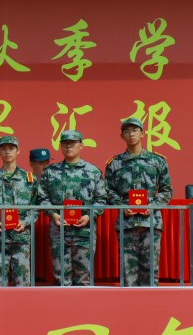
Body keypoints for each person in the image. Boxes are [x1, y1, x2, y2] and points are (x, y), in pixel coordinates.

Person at [105, 117, 173, 287]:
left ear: (142, 133)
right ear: (121, 136)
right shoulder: (115, 163)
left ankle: (151, 303)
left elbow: (166, 190)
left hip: (151, 222)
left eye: (134, 130)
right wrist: (122, 206)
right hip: (127, 223)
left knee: (150, 272)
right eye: (127, 131)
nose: (131, 134)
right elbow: (108, 191)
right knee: (128, 274)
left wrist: (153, 206)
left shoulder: (157, 161)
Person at [37, 130, 107, 286]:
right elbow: (42, 198)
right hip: (59, 231)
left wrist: (89, 216)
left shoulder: (93, 171)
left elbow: (101, 199)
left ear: (81, 145)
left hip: (84, 231)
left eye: (73, 143)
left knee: (84, 280)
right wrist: (53, 214)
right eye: (65, 143)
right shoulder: (50, 172)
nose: (69, 146)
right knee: (61, 279)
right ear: (60, 146)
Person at [0, 136, 38, 287]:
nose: (7, 152)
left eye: (11, 148)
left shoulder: (29, 179)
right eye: (4, 149)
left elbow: (35, 208)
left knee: (22, 284)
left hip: (21, 238)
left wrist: (25, 222)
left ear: (18, 151)